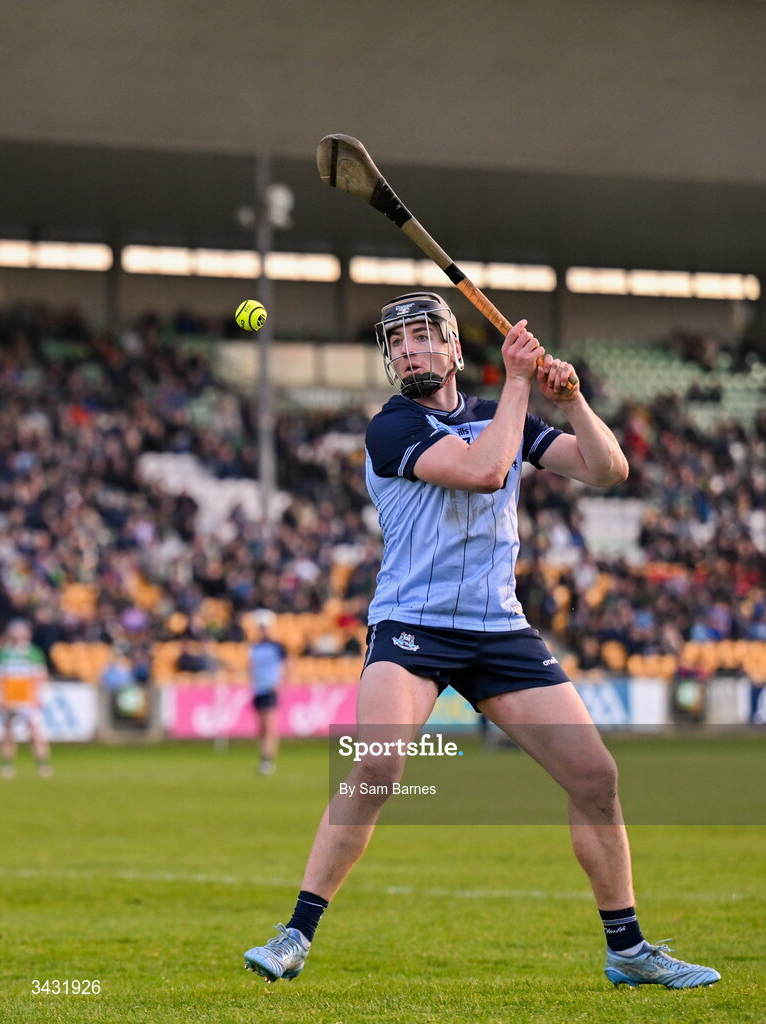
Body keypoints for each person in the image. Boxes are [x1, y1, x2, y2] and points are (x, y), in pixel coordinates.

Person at [243, 292, 720, 990]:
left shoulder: (501, 414)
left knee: (596, 778)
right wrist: (521, 385)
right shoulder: (393, 426)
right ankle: (295, 934)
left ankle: (627, 949)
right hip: (413, 625)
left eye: (421, 339)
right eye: (397, 343)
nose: (407, 351)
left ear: (454, 351)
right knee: (377, 768)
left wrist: (574, 400)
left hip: (498, 628)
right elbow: (482, 472)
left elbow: (609, 470)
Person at [0, 619, 52, 778]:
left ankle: (43, 764)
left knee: (35, 732)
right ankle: (6, 765)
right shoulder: (3, 653)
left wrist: (38, 697)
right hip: (8, 699)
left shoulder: (33, 653)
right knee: (7, 732)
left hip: (28, 699)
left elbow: (40, 676)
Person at [249, 610, 286, 776]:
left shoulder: (277, 647)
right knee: (261, 727)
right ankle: (263, 757)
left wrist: (279, 683)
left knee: (270, 726)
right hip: (258, 689)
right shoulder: (254, 647)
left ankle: (268, 759)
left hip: (270, 689)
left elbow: (286, 666)